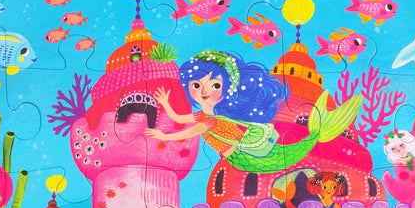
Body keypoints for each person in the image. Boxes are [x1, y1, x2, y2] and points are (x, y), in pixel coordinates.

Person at [145, 50, 360, 175]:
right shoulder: (206, 116)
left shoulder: (209, 122)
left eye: (215, 85)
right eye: (196, 85)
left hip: (247, 156)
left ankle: (318, 132)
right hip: (242, 159)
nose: (205, 91)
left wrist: (165, 136)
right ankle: (316, 133)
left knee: (285, 161)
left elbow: (189, 132)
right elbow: (182, 120)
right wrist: (165, 103)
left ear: (227, 88)